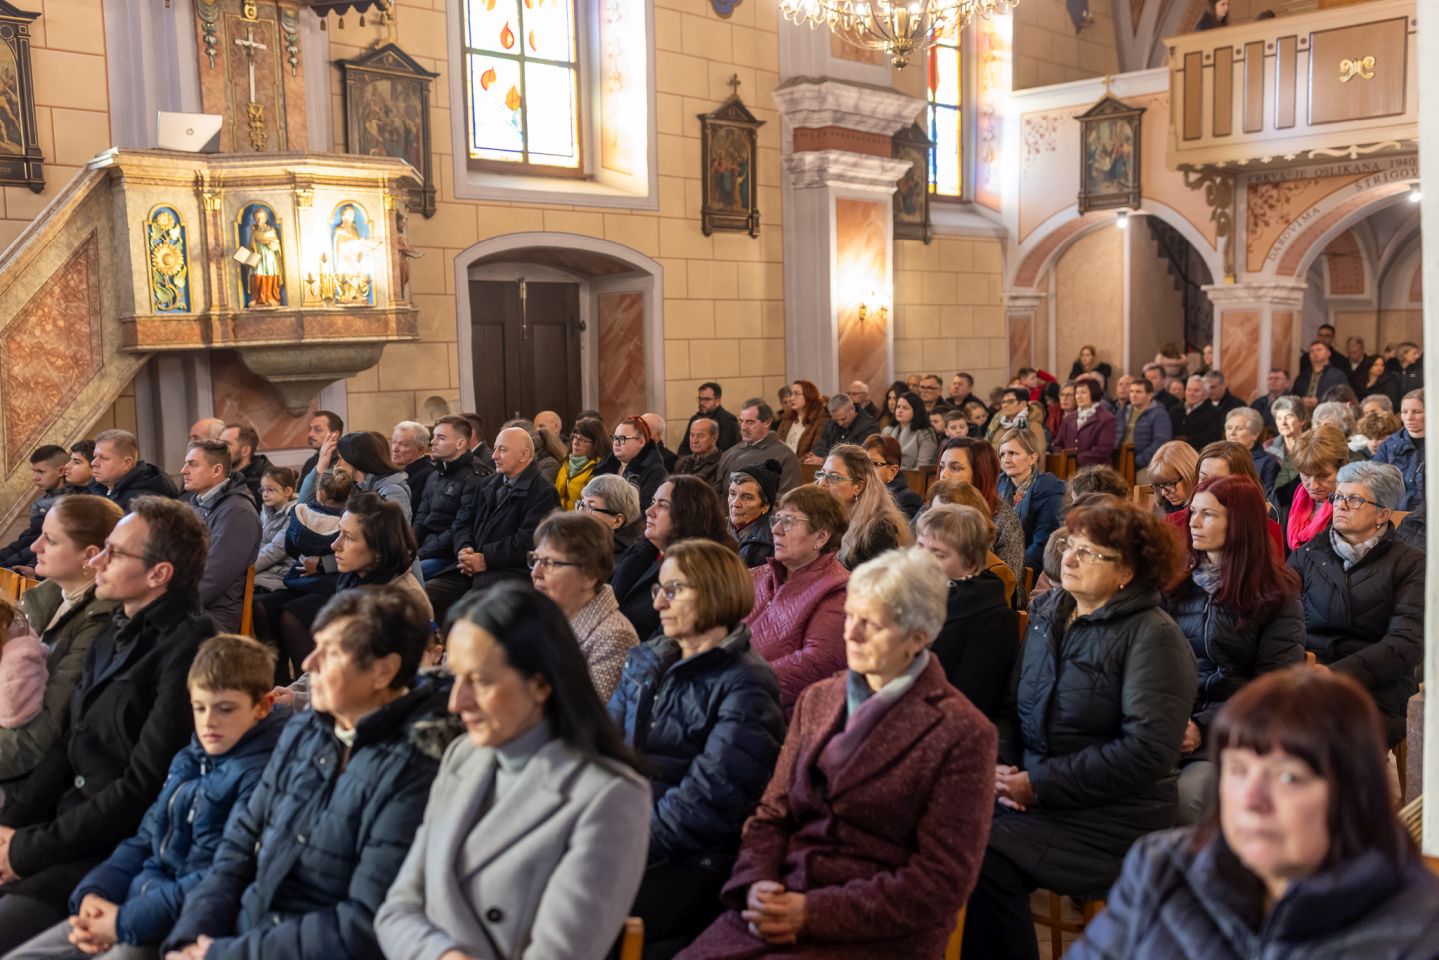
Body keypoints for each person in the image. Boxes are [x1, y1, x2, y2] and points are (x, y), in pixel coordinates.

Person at [683, 548, 997, 960]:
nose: (850, 634)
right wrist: (757, 882)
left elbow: (939, 882)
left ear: (918, 636)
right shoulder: (819, 699)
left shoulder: (963, 732)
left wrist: (811, 913)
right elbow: (771, 815)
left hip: (871, 932)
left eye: (871, 624)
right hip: (780, 901)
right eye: (850, 616)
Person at [1068, 668, 1439, 959]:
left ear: (1352, 791)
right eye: (1238, 770)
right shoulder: (1161, 867)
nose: (1251, 798)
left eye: (1288, 776)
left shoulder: (1419, 930)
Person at [963, 498, 1196, 960]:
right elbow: (1010, 708)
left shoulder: (1154, 635)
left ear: (1128, 570)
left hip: (1112, 815)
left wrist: (1037, 785)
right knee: (940, 828)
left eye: (1089, 553)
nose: (1068, 557)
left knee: (984, 860)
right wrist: (1003, 770)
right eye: (1070, 544)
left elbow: (1146, 752)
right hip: (1036, 793)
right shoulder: (1049, 612)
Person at [162, 587, 448, 960]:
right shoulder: (303, 729)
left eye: (329, 653)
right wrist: (191, 934)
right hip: (241, 933)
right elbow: (239, 843)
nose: (309, 663)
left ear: (384, 671)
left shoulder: (416, 769)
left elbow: (364, 920)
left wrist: (227, 953)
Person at [375, 584, 650, 960]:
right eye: (455, 676)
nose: (457, 702)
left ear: (539, 683)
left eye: (481, 681)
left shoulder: (610, 798)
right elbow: (395, 910)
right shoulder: (464, 755)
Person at [0, 498, 213, 951]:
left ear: (159, 574)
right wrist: (10, 831)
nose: (97, 559)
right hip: (63, 827)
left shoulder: (191, 648)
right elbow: (65, 747)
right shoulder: (117, 626)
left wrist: (28, 849)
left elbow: (143, 785)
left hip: (110, 847)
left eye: (113, 553)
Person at [5, 636, 288, 960]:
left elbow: (218, 878)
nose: (209, 721)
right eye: (200, 707)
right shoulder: (189, 758)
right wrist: (96, 893)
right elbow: (144, 841)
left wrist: (122, 922)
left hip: (176, 925)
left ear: (263, 707)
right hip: (131, 900)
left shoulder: (260, 777)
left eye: (225, 709)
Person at [609, 540, 785, 955]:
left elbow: (710, 799)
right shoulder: (646, 659)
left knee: (580, 909)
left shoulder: (747, 682)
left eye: (674, 591)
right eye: (659, 591)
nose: (659, 604)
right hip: (621, 832)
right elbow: (603, 753)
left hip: (692, 857)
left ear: (713, 592)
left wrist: (626, 844)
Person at [1163, 476, 1305, 825]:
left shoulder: (1276, 595)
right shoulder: (1174, 583)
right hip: (1165, 725)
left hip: (1231, 737)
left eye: (1207, 515)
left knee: (1188, 795)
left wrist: (1202, 726)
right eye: (1193, 512)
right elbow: (1150, 664)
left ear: (1239, 523)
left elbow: (1274, 689)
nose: (1193, 522)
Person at [1288, 461, 1422, 749]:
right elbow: (1282, 621)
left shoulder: (1411, 563)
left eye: (1355, 499)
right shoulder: (1307, 555)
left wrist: (1336, 675)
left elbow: (1406, 642)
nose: (1341, 505)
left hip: (1375, 686)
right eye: (1338, 497)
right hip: (1306, 675)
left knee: (1325, 740)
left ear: (1382, 514)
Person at [0, 497, 120, 786]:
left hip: (38, 778)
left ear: (89, 555)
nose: (34, 547)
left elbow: (43, 733)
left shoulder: (101, 621)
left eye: (50, 540)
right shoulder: (43, 598)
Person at [424, 426, 562, 622]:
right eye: (495, 448)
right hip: (473, 565)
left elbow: (529, 542)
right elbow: (464, 523)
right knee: (427, 595)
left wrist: (485, 558)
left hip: (510, 570)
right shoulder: (489, 484)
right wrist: (465, 549)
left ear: (524, 455)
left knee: (466, 613)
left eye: (502, 450)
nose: (494, 455)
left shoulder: (542, 492)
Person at [744, 486, 850, 712]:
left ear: (821, 536)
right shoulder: (758, 576)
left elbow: (815, 663)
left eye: (789, 521)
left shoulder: (839, 590)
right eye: (777, 518)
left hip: (772, 713)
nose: (776, 529)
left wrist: (735, 681)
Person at [915, 504, 1018, 720]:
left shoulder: (994, 620)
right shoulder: (913, 592)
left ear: (970, 564)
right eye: (920, 546)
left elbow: (968, 703)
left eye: (938, 554)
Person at [529, 512, 637, 701]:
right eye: (535, 560)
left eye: (549, 563)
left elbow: (586, 719)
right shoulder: (541, 615)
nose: (536, 573)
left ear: (589, 575)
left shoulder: (614, 637)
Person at [612, 476, 731, 641]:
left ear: (688, 515)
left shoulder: (696, 570)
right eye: (653, 502)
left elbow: (667, 642)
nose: (648, 511)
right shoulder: (642, 549)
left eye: (662, 505)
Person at [180, 440, 261, 634]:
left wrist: (169, 606)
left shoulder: (237, 512)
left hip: (216, 613)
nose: (183, 470)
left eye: (193, 464)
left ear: (217, 470)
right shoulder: (196, 505)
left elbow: (214, 577)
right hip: (192, 605)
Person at [411, 415, 493, 580]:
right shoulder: (434, 475)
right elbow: (421, 518)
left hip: (449, 555)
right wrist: (408, 546)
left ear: (460, 443)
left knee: (407, 574)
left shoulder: (475, 477)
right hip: (426, 549)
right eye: (433, 437)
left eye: (440, 438)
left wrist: (419, 553)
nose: (432, 442)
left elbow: (460, 527)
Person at [936, 438, 1025, 581]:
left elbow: (1010, 585)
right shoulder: (931, 508)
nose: (944, 474)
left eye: (956, 468)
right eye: (942, 466)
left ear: (979, 474)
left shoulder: (1003, 519)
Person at [813, 444, 911, 570]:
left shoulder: (880, 531)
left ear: (858, 487)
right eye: (822, 474)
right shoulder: (821, 517)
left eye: (833, 477)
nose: (822, 483)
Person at [996, 429, 1064, 574]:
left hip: (1029, 569)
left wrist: (1009, 569)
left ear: (1032, 458)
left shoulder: (1047, 488)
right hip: (1000, 562)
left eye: (1013, 453)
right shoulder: (998, 485)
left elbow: (1042, 543)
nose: (1006, 460)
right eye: (1002, 454)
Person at [302, 431, 411, 520]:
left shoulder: (392, 491)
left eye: (341, 458)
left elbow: (392, 536)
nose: (338, 464)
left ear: (354, 459)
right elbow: (302, 508)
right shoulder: (355, 486)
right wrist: (320, 466)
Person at [0, 447, 72, 574]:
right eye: (33, 471)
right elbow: (27, 538)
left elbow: (37, 543)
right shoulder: (43, 499)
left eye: (40, 472)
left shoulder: (69, 502)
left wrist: (8, 562)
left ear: (61, 471)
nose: (35, 477)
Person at [713, 399, 803, 495]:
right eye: (741, 421)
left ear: (767, 422)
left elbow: (787, 500)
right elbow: (717, 492)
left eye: (750, 422)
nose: (743, 427)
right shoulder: (729, 453)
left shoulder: (786, 457)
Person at [1285, 424, 1350, 552]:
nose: (1313, 485)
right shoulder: (1284, 498)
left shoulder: (1353, 505)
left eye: (1323, 476)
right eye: (1306, 475)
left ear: (1342, 469)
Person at [594, 416, 668, 513]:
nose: (616, 443)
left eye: (622, 438)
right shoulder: (606, 465)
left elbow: (646, 510)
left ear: (641, 442)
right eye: (615, 438)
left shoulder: (655, 472)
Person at [89, 431, 178, 509]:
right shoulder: (98, 488)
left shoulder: (147, 500)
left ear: (126, 463)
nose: (93, 463)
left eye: (103, 458)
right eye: (95, 457)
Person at [1372, 388, 1424, 511]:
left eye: (1417, 411)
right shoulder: (1388, 446)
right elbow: (1373, 483)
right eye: (1404, 412)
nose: (1409, 417)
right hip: (1393, 515)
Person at [252, 466, 297, 592]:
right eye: (263, 490)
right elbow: (257, 541)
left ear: (287, 491)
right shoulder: (266, 511)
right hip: (265, 567)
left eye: (270, 490)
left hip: (282, 572)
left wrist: (248, 568)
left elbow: (277, 550)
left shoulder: (294, 515)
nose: (265, 494)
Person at [726, 461, 778, 568]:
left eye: (747, 497)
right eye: (732, 494)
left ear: (765, 506)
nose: (735, 503)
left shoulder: (775, 542)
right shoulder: (712, 527)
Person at [578, 474, 643, 558]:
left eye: (590, 507)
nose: (580, 512)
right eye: (582, 504)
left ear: (617, 521)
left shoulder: (620, 561)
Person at [1056, 378, 1117, 467]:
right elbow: (1057, 444)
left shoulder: (1107, 418)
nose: (1079, 396)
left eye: (1083, 392)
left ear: (1093, 393)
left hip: (1096, 470)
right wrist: (1064, 459)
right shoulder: (1069, 418)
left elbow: (1103, 449)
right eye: (1077, 393)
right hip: (1069, 468)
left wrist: (1075, 460)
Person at [1119, 378, 1172, 475]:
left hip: (1145, 463)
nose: (1133, 395)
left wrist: (1138, 461)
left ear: (1150, 395)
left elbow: (1161, 442)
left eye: (1138, 392)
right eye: (1131, 391)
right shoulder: (1124, 411)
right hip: (1121, 459)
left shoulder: (1159, 414)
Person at [1224, 407, 1278, 500]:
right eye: (1229, 428)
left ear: (1255, 435)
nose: (1232, 433)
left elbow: (1268, 500)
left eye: (1239, 429)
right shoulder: (1218, 458)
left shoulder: (1268, 463)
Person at [862, 435, 921, 520]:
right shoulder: (858, 492)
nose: (865, 469)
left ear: (892, 471)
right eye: (863, 462)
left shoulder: (908, 500)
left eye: (874, 464)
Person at [554, 416, 607, 511]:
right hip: (561, 517)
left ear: (595, 444)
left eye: (582, 440)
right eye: (574, 437)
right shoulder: (565, 462)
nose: (575, 442)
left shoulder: (599, 468)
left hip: (581, 520)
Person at [808, 394, 879, 463]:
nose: (840, 423)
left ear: (852, 409)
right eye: (836, 420)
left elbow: (858, 457)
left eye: (843, 418)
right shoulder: (830, 424)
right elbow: (818, 448)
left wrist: (824, 460)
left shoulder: (869, 426)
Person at [1265, 394, 1309, 502]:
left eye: (1288, 416)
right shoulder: (1268, 447)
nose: (1283, 423)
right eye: (1279, 418)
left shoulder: (1311, 445)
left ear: (1302, 420)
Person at [678, 382, 740, 455]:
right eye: (700, 399)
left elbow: (726, 450)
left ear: (717, 401)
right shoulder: (695, 419)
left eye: (706, 399)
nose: (701, 403)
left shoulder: (728, 420)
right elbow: (684, 447)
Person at [882, 391, 936, 469]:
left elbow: (921, 468)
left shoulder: (925, 434)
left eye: (905, 408)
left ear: (916, 411)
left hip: (911, 478)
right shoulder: (887, 431)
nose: (900, 411)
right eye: (898, 407)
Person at [776, 379, 829, 460]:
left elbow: (815, 452)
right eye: (791, 394)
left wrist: (793, 464)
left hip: (804, 468)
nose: (791, 398)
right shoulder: (787, 419)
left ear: (809, 396)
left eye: (796, 394)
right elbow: (777, 444)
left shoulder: (821, 421)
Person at [985, 387, 1047, 456]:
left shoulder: (1034, 427)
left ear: (1023, 404)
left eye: (1011, 401)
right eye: (1003, 402)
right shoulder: (997, 425)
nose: (1005, 405)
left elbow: (1037, 455)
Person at [1148, 440, 1199, 519]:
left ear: (1190, 476)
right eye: (1158, 485)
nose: (1163, 493)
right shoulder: (1161, 509)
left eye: (1169, 484)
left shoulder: (1203, 512)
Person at [389, 421, 435, 507]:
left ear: (420, 449)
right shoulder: (401, 471)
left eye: (403, 444)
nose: (395, 449)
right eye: (394, 442)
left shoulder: (426, 474)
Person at [1293, 340, 1349, 410]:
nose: (1315, 353)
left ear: (1328, 353)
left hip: (1327, 414)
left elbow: (1342, 398)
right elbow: (1294, 396)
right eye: (1311, 351)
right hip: (1304, 414)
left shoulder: (1338, 376)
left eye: (1319, 350)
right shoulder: (1302, 376)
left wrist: (1319, 401)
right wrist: (1301, 401)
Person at [296, 410, 343, 490]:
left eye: (317, 430)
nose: (310, 434)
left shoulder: (344, 461)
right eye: (310, 429)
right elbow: (301, 493)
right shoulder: (310, 462)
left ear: (335, 435)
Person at [1178, 376, 1223, 450]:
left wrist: (1187, 440)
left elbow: (1213, 437)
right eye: (1189, 390)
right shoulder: (1175, 409)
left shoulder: (1215, 413)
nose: (1191, 393)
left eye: (1196, 390)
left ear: (1206, 395)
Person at [673, 418, 723, 486]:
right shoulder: (681, 463)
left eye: (700, 436)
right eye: (692, 435)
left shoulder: (722, 464)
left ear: (714, 438)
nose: (694, 441)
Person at [1250, 367, 1292, 432]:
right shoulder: (1258, 402)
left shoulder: (1292, 402)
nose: (1273, 381)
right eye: (1270, 378)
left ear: (1287, 383)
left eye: (1277, 379)